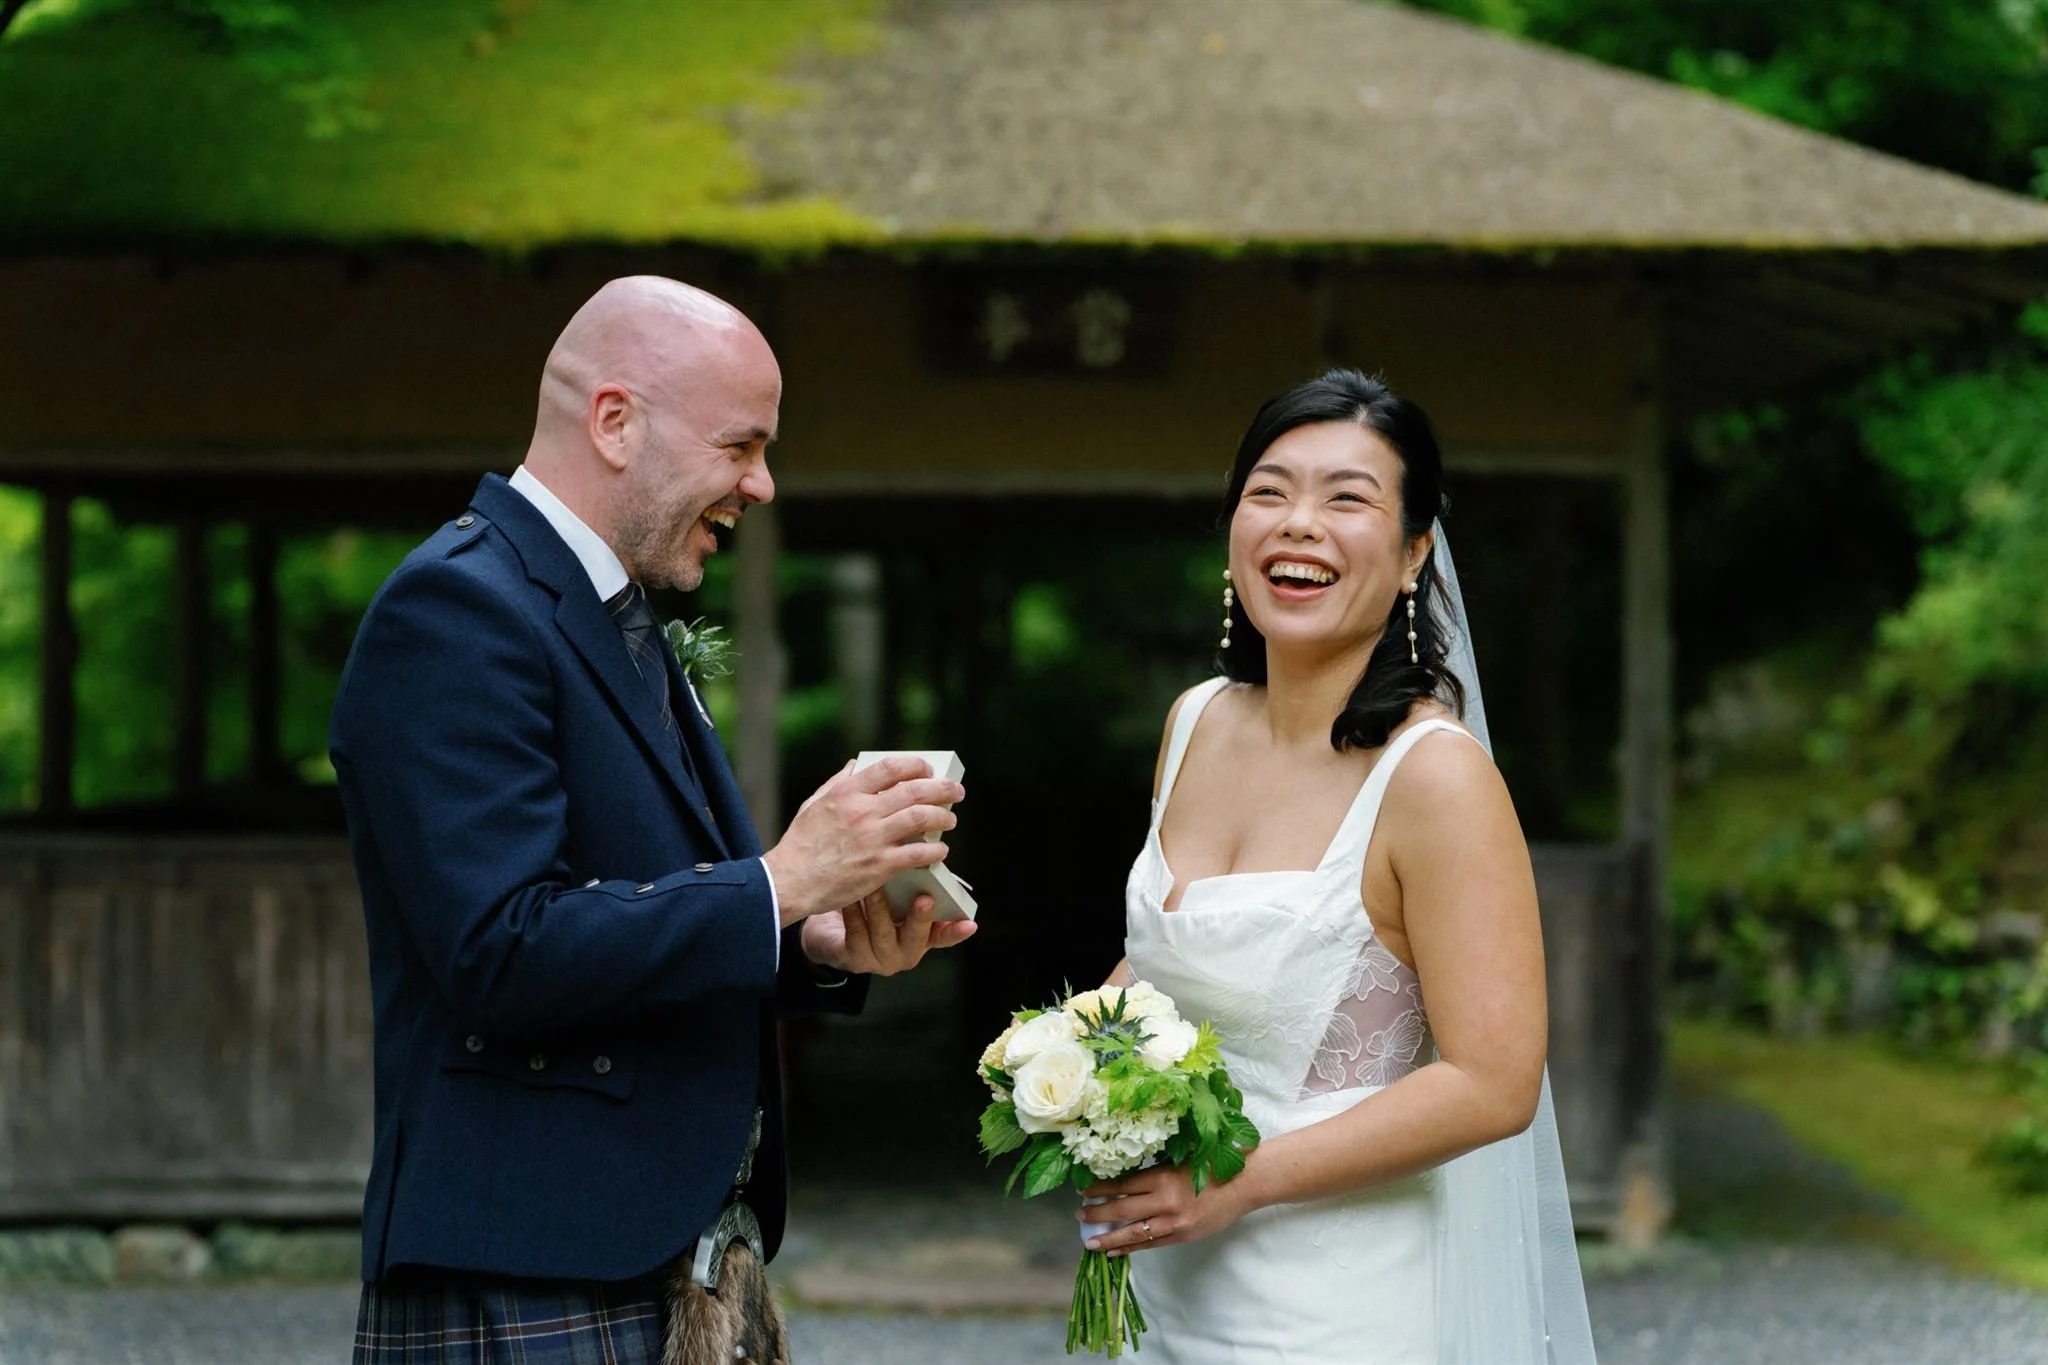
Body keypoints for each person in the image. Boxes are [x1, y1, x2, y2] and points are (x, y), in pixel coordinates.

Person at [330, 276, 974, 1363]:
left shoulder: (604, 610)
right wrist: (779, 880)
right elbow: (503, 950)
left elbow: (636, 902)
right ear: (615, 422)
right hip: (526, 1258)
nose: (761, 486)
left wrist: (809, 938)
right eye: (740, 446)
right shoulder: (457, 609)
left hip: (645, 1256)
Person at [1079, 370, 1596, 1364]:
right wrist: (1065, 1071)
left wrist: (1244, 1180)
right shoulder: (1192, 723)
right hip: (1164, 1289)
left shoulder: (1434, 779)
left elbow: (1491, 1083)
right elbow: (1159, 964)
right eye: (1267, 493)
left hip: (1337, 1313)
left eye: (1344, 498)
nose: (1296, 524)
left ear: (1412, 556)